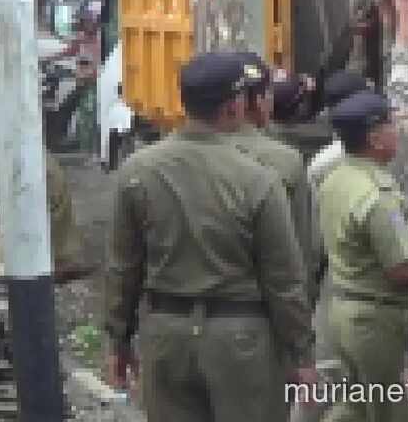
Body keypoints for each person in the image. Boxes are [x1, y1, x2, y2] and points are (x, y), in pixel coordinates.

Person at [104, 51, 315, 421]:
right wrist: (301, 355)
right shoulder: (259, 180)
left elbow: (123, 267)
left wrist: (118, 341)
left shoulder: (138, 171)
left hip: (165, 338)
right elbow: (285, 279)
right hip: (241, 343)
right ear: (236, 105)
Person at [319, 91, 408, 422]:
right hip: (376, 320)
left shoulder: (336, 179)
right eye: (392, 124)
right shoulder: (378, 195)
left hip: (342, 310)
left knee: (353, 407)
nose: (398, 132)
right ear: (375, 138)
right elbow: (402, 269)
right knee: (388, 411)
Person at [0, 30, 87, 281]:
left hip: (16, 139)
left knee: (53, 188)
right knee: (18, 202)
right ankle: (12, 274)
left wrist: (64, 54)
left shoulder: (4, 39)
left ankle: (57, 260)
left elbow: (23, 65)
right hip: (4, 141)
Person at [233, 51, 318, 303]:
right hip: (258, 309)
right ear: (260, 101)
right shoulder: (285, 161)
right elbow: (301, 251)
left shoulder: (177, 158)